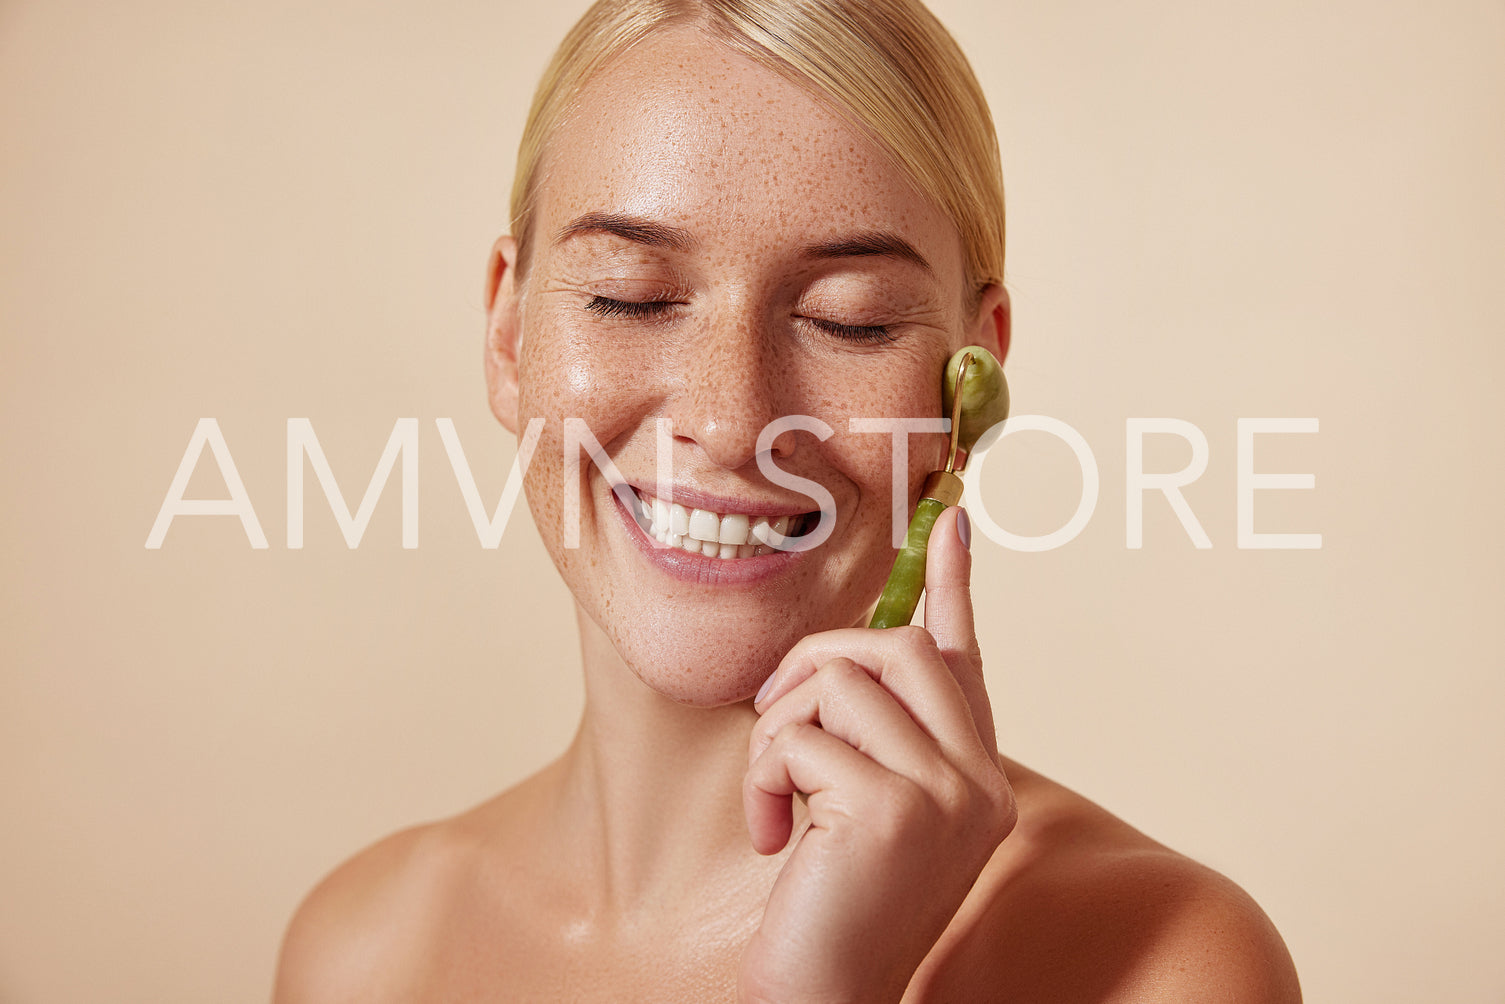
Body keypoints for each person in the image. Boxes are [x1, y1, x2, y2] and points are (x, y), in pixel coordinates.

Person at [274, 1, 1302, 999]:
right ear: (507, 336)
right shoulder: (362, 950)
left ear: (967, 381)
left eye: (846, 320)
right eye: (630, 296)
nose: (730, 420)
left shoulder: (1159, 966)